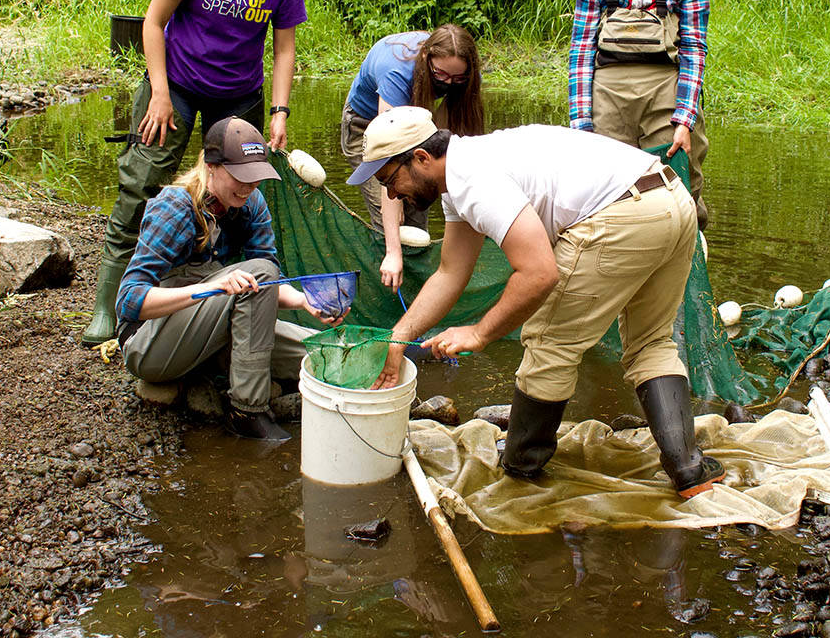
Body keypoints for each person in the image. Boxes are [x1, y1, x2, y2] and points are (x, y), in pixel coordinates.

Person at [347, 107, 725, 499]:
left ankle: (520, 468)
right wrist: (397, 339)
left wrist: (479, 333)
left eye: (391, 180)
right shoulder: (466, 171)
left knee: (549, 342)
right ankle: (689, 470)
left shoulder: (474, 179)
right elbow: (450, 274)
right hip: (670, 200)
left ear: (422, 158)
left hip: (621, 213)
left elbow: (539, 273)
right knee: (650, 342)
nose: (391, 195)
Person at [83, 0, 307, 346]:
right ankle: (110, 300)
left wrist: (280, 111)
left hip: (238, 94)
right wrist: (160, 93)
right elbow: (153, 21)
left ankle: (221, 287)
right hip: (179, 84)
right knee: (143, 181)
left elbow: (283, 49)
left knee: (239, 182)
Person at [116, 118, 344, 441]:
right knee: (260, 271)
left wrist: (305, 301)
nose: (249, 187)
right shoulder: (176, 206)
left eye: (256, 178)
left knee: (324, 354)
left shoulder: (251, 205)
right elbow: (128, 301)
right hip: (148, 345)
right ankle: (247, 412)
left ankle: (382, 360)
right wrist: (209, 289)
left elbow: (264, 287)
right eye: (240, 176)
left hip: (210, 333)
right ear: (211, 166)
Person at [568, 0, 711, 229]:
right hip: (607, 95)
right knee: (606, 192)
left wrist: (685, 120)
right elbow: (581, 51)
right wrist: (580, 122)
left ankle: (689, 257)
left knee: (674, 188)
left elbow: (693, 48)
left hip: (665, 92)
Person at [340, 25, 484, 292]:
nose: (448, 84)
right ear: (426, 58)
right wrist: (394, 252)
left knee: (418, 206)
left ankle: (420, 295)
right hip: (367, 126)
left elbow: (446, 148)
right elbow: (389, 167)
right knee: (392, 219)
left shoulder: (460, 75)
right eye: (441, 75)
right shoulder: (397, 73)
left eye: (457, 78)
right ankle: (387, 291)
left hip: (417, 123)